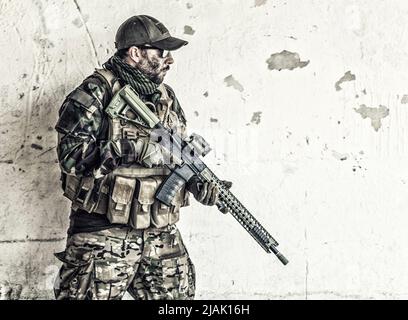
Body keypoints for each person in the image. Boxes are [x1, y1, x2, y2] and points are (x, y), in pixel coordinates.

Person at [53, 15, 221, 300]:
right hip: (103, 234)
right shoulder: (96, 92)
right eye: (161, 52)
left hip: (160, 232)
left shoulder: (167, 97)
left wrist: (197, 184)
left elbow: (173, 159)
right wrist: (135, 149)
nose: (169, 60)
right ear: (135, 53)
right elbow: (71, 158)